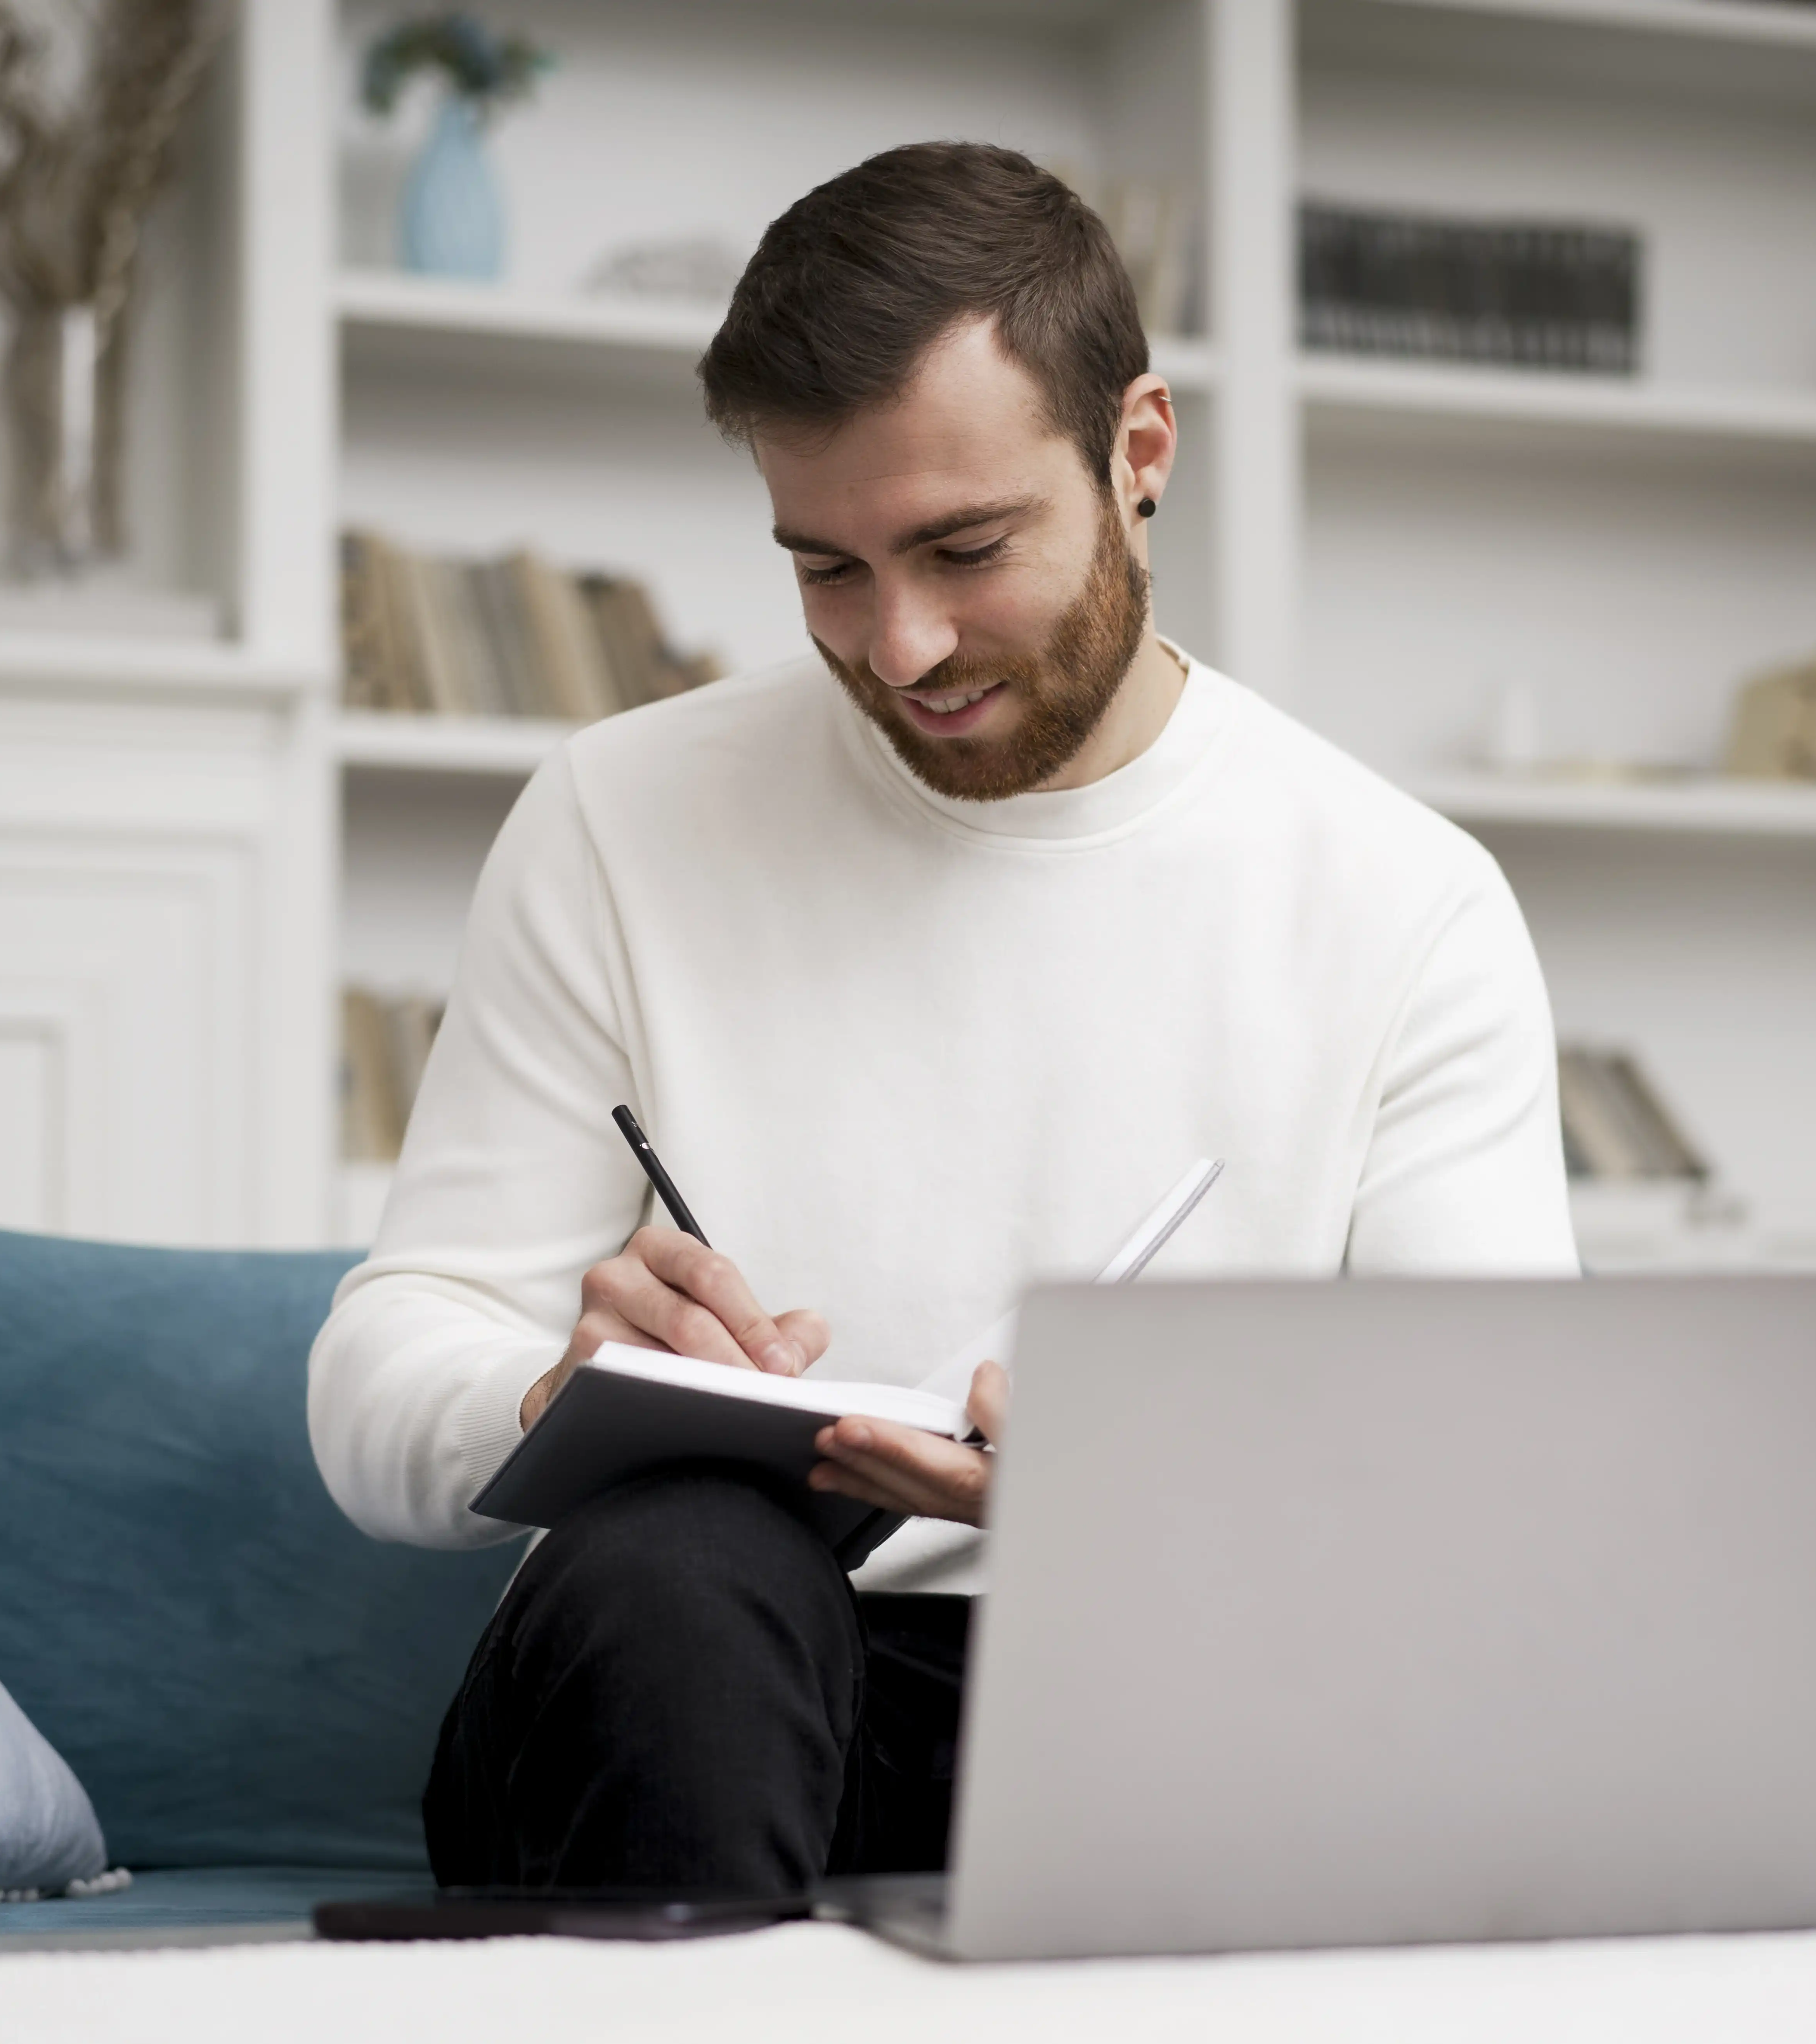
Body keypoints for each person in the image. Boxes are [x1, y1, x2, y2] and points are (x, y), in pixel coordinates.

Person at [308, 140, 1577, 1899]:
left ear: (1139, 454)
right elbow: (382, 1365)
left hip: (1162, 1679)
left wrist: (1156, 1491)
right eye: (825, 566)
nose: (898, 647)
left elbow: (1500, 1495)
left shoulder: (1402, 898)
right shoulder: (619, 815)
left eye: (963, 549)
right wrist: (545, 1390)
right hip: (692, 1672)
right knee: (690, 1553)